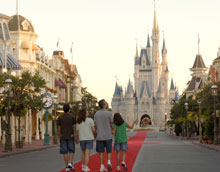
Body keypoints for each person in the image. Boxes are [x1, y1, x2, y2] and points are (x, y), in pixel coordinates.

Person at [94, 99, 113, 171]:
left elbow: (95, 125)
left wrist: (95, 134)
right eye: (106, 103)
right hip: (108, 135)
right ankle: (109, 162)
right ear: (104, 105)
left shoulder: (96, 114)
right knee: (109, 151)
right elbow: (111, 123)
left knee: (101, 152)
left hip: (100, 136)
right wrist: (113, 129)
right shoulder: (109, 113)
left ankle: (102, 166)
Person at [57, 104, 77, 172]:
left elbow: (59, 128)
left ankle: (67, 167)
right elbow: (74, 127)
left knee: (65, 152)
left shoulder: (60, 117)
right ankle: (70, 163)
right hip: (71, 136)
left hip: (63, 136)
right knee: (72, 150)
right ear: (69, 109)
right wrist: (76, 135)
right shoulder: (72, 117)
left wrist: (59, 135)